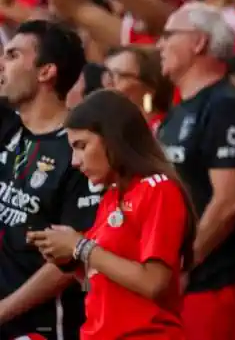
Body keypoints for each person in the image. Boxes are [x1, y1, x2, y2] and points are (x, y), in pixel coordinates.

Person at [27, 90, 196, 340]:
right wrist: (69, 260)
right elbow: (104, 281)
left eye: (81, 146)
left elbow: (154, 283)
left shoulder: (158, 189)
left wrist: (80, 247)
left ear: (112, 139)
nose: (74, 161)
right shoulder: (113, 195)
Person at [155, 3, 235, 340]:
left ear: (198, 43)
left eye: (168, 35)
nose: (159, 45)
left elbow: (229, 202)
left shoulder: (226, 106)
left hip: (214, 281)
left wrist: (183, 265)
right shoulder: (179, 110)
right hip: (179, 281)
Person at [0, 20, 95, 340]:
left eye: (12, 56)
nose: (1, 64)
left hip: (37, 328)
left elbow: (69, 262)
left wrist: (3, 311)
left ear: (46, 72)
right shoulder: (8, 127)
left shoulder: (81, 149)